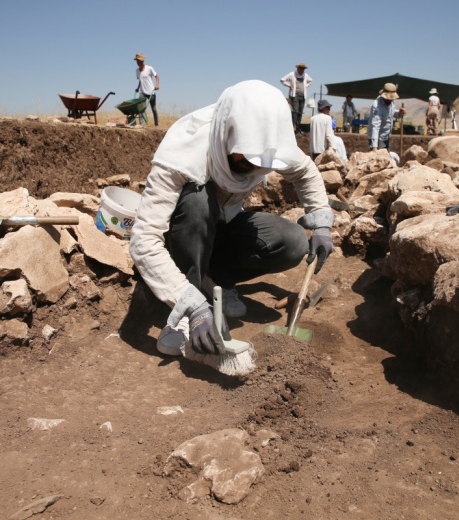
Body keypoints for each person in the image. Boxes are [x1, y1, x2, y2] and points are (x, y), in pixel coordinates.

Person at [129, 80, 334, 356]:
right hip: (180, 237)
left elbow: (305, 171)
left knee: (293, 241)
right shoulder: (181, 153)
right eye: (246, 162)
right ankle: (187, 306)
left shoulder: (265, 140)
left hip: (222, 227)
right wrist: (191, 304)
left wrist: (320, 220)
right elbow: (143, 241)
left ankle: (216, 279)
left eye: (262, 164)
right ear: (226, 134)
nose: (253, 170)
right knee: (197, 201)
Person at [367, 83, 406, 151]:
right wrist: (374, 147)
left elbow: (391, 113)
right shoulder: (377, 106)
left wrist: (399, 113)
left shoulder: (391, 102)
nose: (391, 100)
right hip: (378, 138)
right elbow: (375, 126)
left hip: (386, 136)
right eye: (389, 98)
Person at [280, 63, 313, 134]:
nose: (302, 70)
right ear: (298, 68)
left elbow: (310, 81)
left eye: (303, 69)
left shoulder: (305, 75)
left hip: (303, 95)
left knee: (300, 112)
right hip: (295, 95)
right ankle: (293, 126)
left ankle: (298, 127)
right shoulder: (292, 74)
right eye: (301, 68)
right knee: (295, 111)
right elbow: (282, 80)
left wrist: (305, 86)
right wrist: (289, 85)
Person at [134, 53, 159, 126]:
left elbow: (157, 76)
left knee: (153, 109)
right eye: (136, 61)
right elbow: (140, 80)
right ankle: (141, 125)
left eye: (138, 61)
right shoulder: (137, 71)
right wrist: (138, 88)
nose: (137, 62)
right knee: (141, 109)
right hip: (142, 92)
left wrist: (157, 85)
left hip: (151, 91)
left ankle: (156, 125)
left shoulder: (149, 68)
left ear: (142, 61)